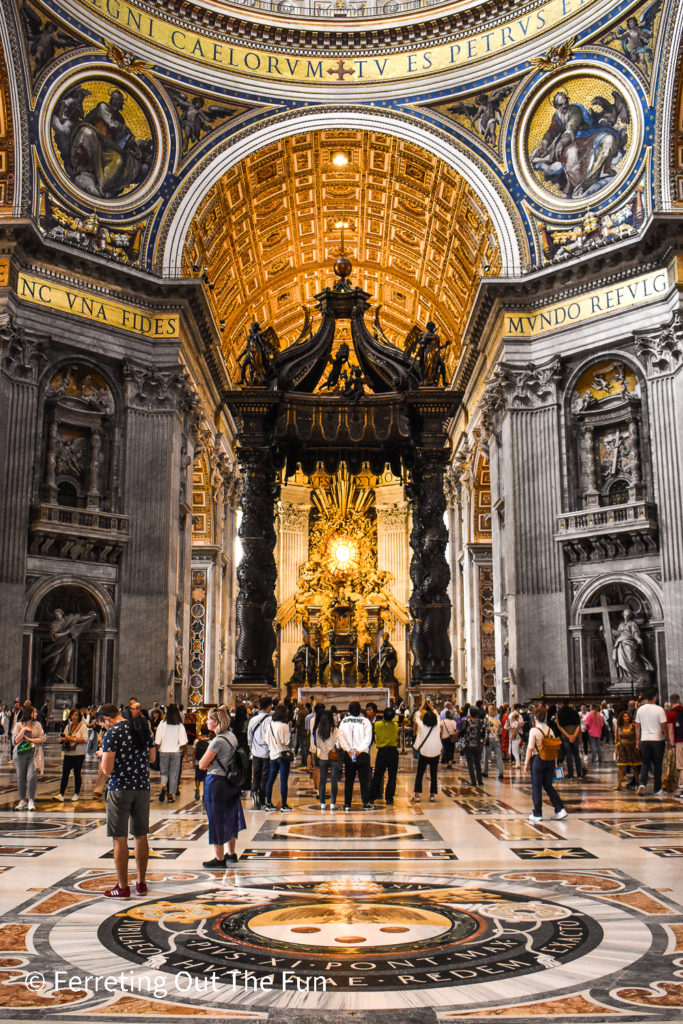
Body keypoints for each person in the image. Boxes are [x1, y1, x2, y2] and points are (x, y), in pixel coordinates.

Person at [99, 702, 155, 898]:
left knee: (119, 837)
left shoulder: (112, 733)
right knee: (140, 835)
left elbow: (107, 769)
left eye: (103, 724)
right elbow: (152, 757)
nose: (104, 727)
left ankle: (122, 887)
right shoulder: (142, 727)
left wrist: (102, 755)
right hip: (142, 787)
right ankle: (141, 883)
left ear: (107, 719)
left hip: (120, 788)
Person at [198, 707, 245, 866]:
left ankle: (219, 858)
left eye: (209, 719)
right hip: (231, 781)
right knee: (231, 815)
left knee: (216, 818)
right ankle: (231, 853)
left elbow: (202, 765)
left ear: (216, 722)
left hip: (217, 782)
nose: (206, 721)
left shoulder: (217, 741)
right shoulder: (231, 736)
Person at [524, 706, 567, 823]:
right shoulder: (550, 730)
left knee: (536, 786)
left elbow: (530, 748)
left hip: (538, 760)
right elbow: (554, 747)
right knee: (548, 785)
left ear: (535, 718)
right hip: (550, 760)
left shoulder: (534, 730)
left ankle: (537, 813)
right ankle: (560, 809)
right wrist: (556, 762)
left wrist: (526, 763)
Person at [337, 701, 373, 811]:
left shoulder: (344, 721)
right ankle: (366, 803)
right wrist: (360, 749)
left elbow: (340, 737)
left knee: (349, 780)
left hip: (349, 754)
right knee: (364, 780)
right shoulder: (366, 721)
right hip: (362, 754)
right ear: (360, 710)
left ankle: (347, 804)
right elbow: (368, 737)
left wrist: (348, 749)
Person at [635, 694, 668, 796]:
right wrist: (667, 736)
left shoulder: (640, 710)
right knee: (658, 765)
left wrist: (637, 740)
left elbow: (637, 725)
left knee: (645, 763)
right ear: (655, 698)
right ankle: (657, 789)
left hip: (644, 739)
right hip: (657, 739)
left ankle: (642, 783)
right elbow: (664, 724)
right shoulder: (659, 709)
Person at [12, 707, 45, 810]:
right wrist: (23, 730)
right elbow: (15, 741)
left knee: (31, 777)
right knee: (21, 777)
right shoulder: (18, 725)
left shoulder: (38, 725)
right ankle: (22, 800)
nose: (36, 713)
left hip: (34, 753)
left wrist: (30, 739)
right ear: (29, 713)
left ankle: (31, 800)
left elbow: (42, 739)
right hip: (20, 754)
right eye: (34, 712)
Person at [155, 704, 188, 804]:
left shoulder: (162, 723)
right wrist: (185, 753)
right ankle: (170, 795)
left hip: (164, 751)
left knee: (164, 772)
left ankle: (164, 787)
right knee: (174, 774)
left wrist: (158, 751)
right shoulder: (179, 725)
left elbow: (157, 740)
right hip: (176, 752)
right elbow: (183, 741)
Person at [411, 703, 442, 802]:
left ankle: (417, 794)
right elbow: (437, 715)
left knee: (420, 773)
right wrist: (431, 706)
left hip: (424, 752)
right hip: (436, 752)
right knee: (434, 774)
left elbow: (416, 716)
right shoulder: (437, 724)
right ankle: (432, 795)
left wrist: (422, 705)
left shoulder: (421, 725)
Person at [264, 704, 292, 812]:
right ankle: (284, 805)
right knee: (283, 780)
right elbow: (286, 741)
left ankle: (268, 803)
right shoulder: (284, 726)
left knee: (270, 779)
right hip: (282, 754)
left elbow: (266, 740)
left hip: (272, 755)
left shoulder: (270, 725)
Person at [369, 707, 399, 805]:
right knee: (392, 776)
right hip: (393, 752)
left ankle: (371, 797)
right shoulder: (395, 725)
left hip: (382, 752)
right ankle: (389, 798)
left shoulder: (377, 725)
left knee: (377, 775)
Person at [247, 697, 273, 810]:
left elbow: (249, 737)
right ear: (268, 707)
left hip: (256, 752)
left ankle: (254, 794)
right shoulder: (271, 720)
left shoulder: (253, 720)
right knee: (265, 776)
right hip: (267, 753)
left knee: (256, 775)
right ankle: (262, 800)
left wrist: (252, 750)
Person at [58, 709, 88, 802]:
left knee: (77, 773)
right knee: (65, 773)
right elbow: (65, 737)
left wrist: (73, 739)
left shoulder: (83, 727)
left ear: (79, 717)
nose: (74, 717)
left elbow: (85, 739)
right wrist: (63, 739)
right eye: (73, 715)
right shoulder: (68, 726)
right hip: (68, 752)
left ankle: (76, 793)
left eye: (76, 715)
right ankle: (61, 793)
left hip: (79, 753)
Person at [316, 710, 341, 810]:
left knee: (322, 780)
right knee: (333, 780)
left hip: (322, 757)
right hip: (333, 757)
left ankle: (322, 803)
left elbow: (317, 744)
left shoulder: (318, 730)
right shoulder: (334, 730)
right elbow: (338, 744)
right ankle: (332, 803)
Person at [556, 700, 583, 779]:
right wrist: (574, 736)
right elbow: (578, 725)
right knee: (577, 755)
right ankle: (579, 774)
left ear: (562, 704)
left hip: (565, 736)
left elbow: (559, 726)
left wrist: (568, 736)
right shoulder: (575, 712)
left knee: (569, 755)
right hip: (575, 735)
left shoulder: (560, 712)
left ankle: (570, 775)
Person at [615, 711, 640, 790]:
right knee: (621, 768)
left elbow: (637, 736)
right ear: (622, 718)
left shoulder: (633, 726)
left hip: (632, 749)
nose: (627, 718)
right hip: (623, 749)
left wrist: (637, 745)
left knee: (635, 767)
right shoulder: (619, 727)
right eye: (625, 716)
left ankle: (638, 783)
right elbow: (616, 738)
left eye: (628, 716)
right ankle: (618, 785)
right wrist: (617, 749)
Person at [462, 705, 486, 786]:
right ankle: (480, 781)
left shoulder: (466, 721)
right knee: (477, 763)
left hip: (468, 744)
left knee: (470, 764)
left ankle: (473, 781)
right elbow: (483, 734)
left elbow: (462, 732)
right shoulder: (481, 722)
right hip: (478, 744)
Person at [667, 693, 683, 795]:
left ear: (671, 702)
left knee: (681, 766)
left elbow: (671, 731)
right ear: (679, 699)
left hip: (679, 742)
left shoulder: (671, 714)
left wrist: (672, 745)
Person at [484, 705, 504, 779]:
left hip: (489, 739)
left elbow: (490, 728)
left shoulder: (487, 719)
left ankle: (485, 771)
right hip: (496, 739)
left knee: (486, 756)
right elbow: (500, 730)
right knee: (499, 756)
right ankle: (501, 771)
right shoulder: (498, 720)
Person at [194, 724, 211, 802]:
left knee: (197, 777)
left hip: (198, 762)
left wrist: (193, 761)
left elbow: (194, 751)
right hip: (206, 763)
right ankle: (204, 793)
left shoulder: (196, 740)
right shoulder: (209, 742)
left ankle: (197, 789)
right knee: (205, 778)